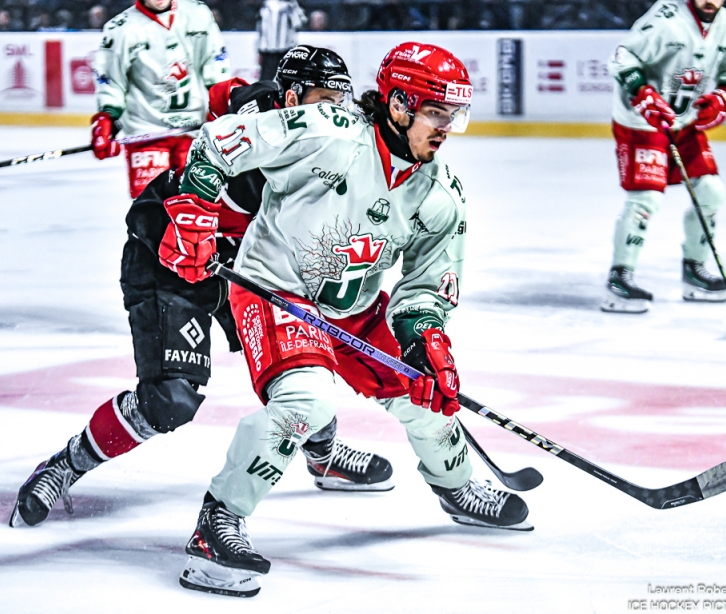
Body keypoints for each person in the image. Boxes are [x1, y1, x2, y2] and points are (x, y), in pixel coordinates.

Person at [169, 42, 531, 598]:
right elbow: (221, 141)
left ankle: (456, 486)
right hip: (278, 291)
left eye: (454, 115)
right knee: (307, 402)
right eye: (437, 113)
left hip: (355, 308)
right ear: (399, 104)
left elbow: (427, 282)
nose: (446, 129)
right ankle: (217, 524)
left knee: (429, 395)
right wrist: (194, 212)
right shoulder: (328, 130)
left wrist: (424, 337)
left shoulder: (439, 193)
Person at [9, 47, 395, 530]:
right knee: (169, 401)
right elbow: (228, 102)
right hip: (171, 254)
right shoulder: (262, 121)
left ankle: (323, 455)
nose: (332, 112)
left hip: (249, 263)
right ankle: (65, 466)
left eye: (338, 101)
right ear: (292, 97)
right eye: (322, 100)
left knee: (305, 362)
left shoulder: (338, 143)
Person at [601, 0, 726, 313]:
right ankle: (619, 279)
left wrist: (723, 98)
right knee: (646, 199)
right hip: (642, 123)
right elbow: (622, 57)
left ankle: (695, 271)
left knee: (711, 192)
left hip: (684, 122)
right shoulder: (667, 17)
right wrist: (641, 92)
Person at [90, 0, 231, 198]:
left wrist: (221, 102)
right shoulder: (120, 28)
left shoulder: (197, 13)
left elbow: (214, 62)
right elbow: (111, 80)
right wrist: (108, 119)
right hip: (145, 132)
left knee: (194, 204)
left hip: (193, 131)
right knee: (150, 208)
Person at [256, 0, 306, 81]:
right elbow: (261, 29)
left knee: (287, 79)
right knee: (266, 80)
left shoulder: (290, 5)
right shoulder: (265, 5)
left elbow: (299, 23)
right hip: (268, 51)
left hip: (285, 49)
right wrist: (260, 50)